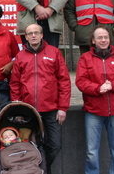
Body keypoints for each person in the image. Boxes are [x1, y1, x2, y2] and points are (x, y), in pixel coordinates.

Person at [10, 23, 71, 174]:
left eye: (36, 32)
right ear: (26, 37)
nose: (33, 36)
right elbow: (15, 84)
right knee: (30, 146)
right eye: (30, 33)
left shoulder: (54, 52)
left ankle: (42, 169)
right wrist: (18, 107)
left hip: (51, 109)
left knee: (55, 145)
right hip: (28, 110)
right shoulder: (20, 56)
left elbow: (64, 81)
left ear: (42, 35)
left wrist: (63, 108)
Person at [75, 27, 114, 174]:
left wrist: (112, 85)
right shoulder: (85, 58)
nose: (103, 40)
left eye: (106, 37)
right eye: (100, 37)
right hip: (94, 110)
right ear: (93, 41)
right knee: (91, 152)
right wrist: (97, 88)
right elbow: (81, 81)